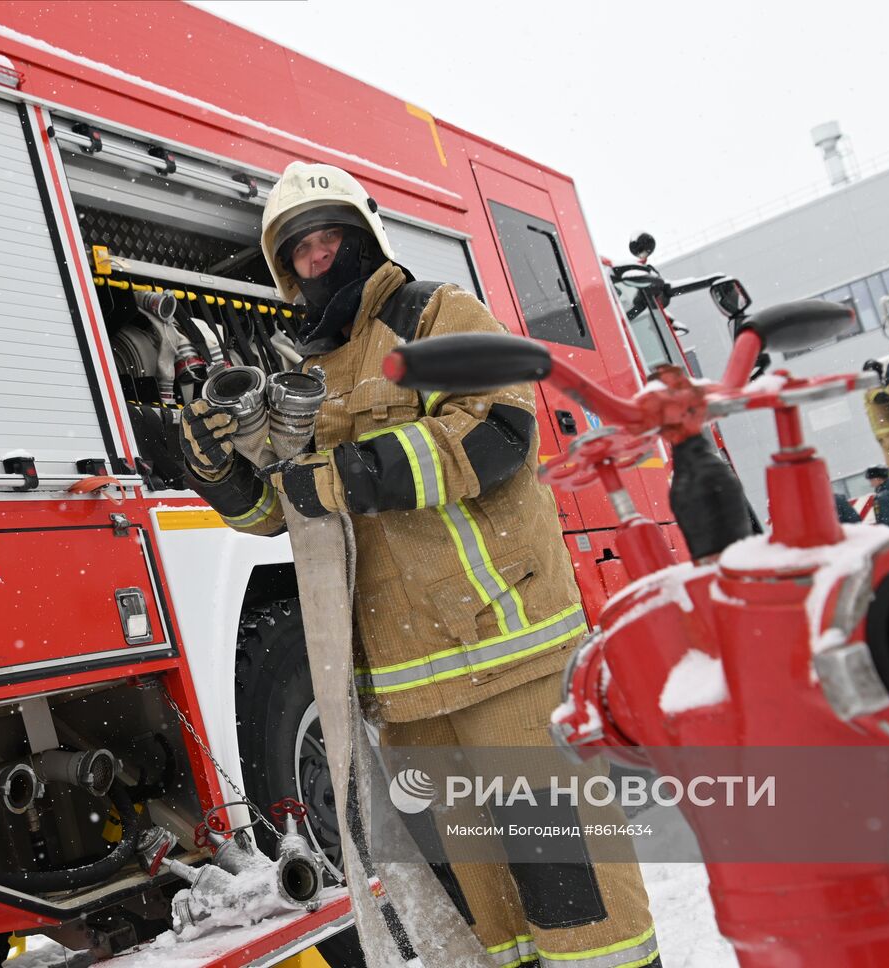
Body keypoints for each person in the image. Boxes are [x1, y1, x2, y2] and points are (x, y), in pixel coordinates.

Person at [180, 161, 660, 967]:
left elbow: (501, 429)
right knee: (482, 910)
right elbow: (285, 514)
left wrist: (344, 472)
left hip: (504, 653)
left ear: (365, 236)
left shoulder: (436, 314)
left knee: (572, 889)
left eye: (329, 238)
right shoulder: (301, 375)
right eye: (298, 251)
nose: (316, 259)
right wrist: (222, 476)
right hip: (406, 690)